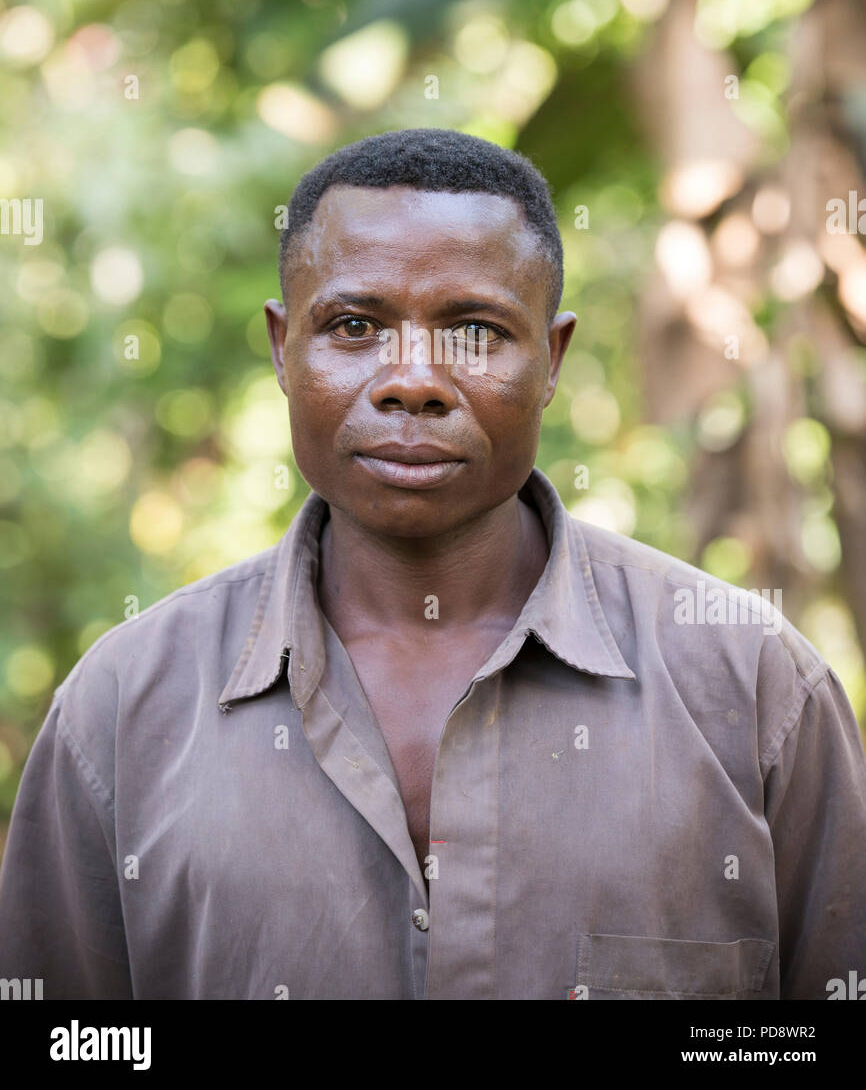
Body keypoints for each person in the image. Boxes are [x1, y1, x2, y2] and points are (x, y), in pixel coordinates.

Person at [1, 127, 864, 1001]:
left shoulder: (753, 688)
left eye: (474, 332)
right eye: (353, 326)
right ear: (281, 349)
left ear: (552, 359)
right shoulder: (120, 709)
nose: (411, 380)